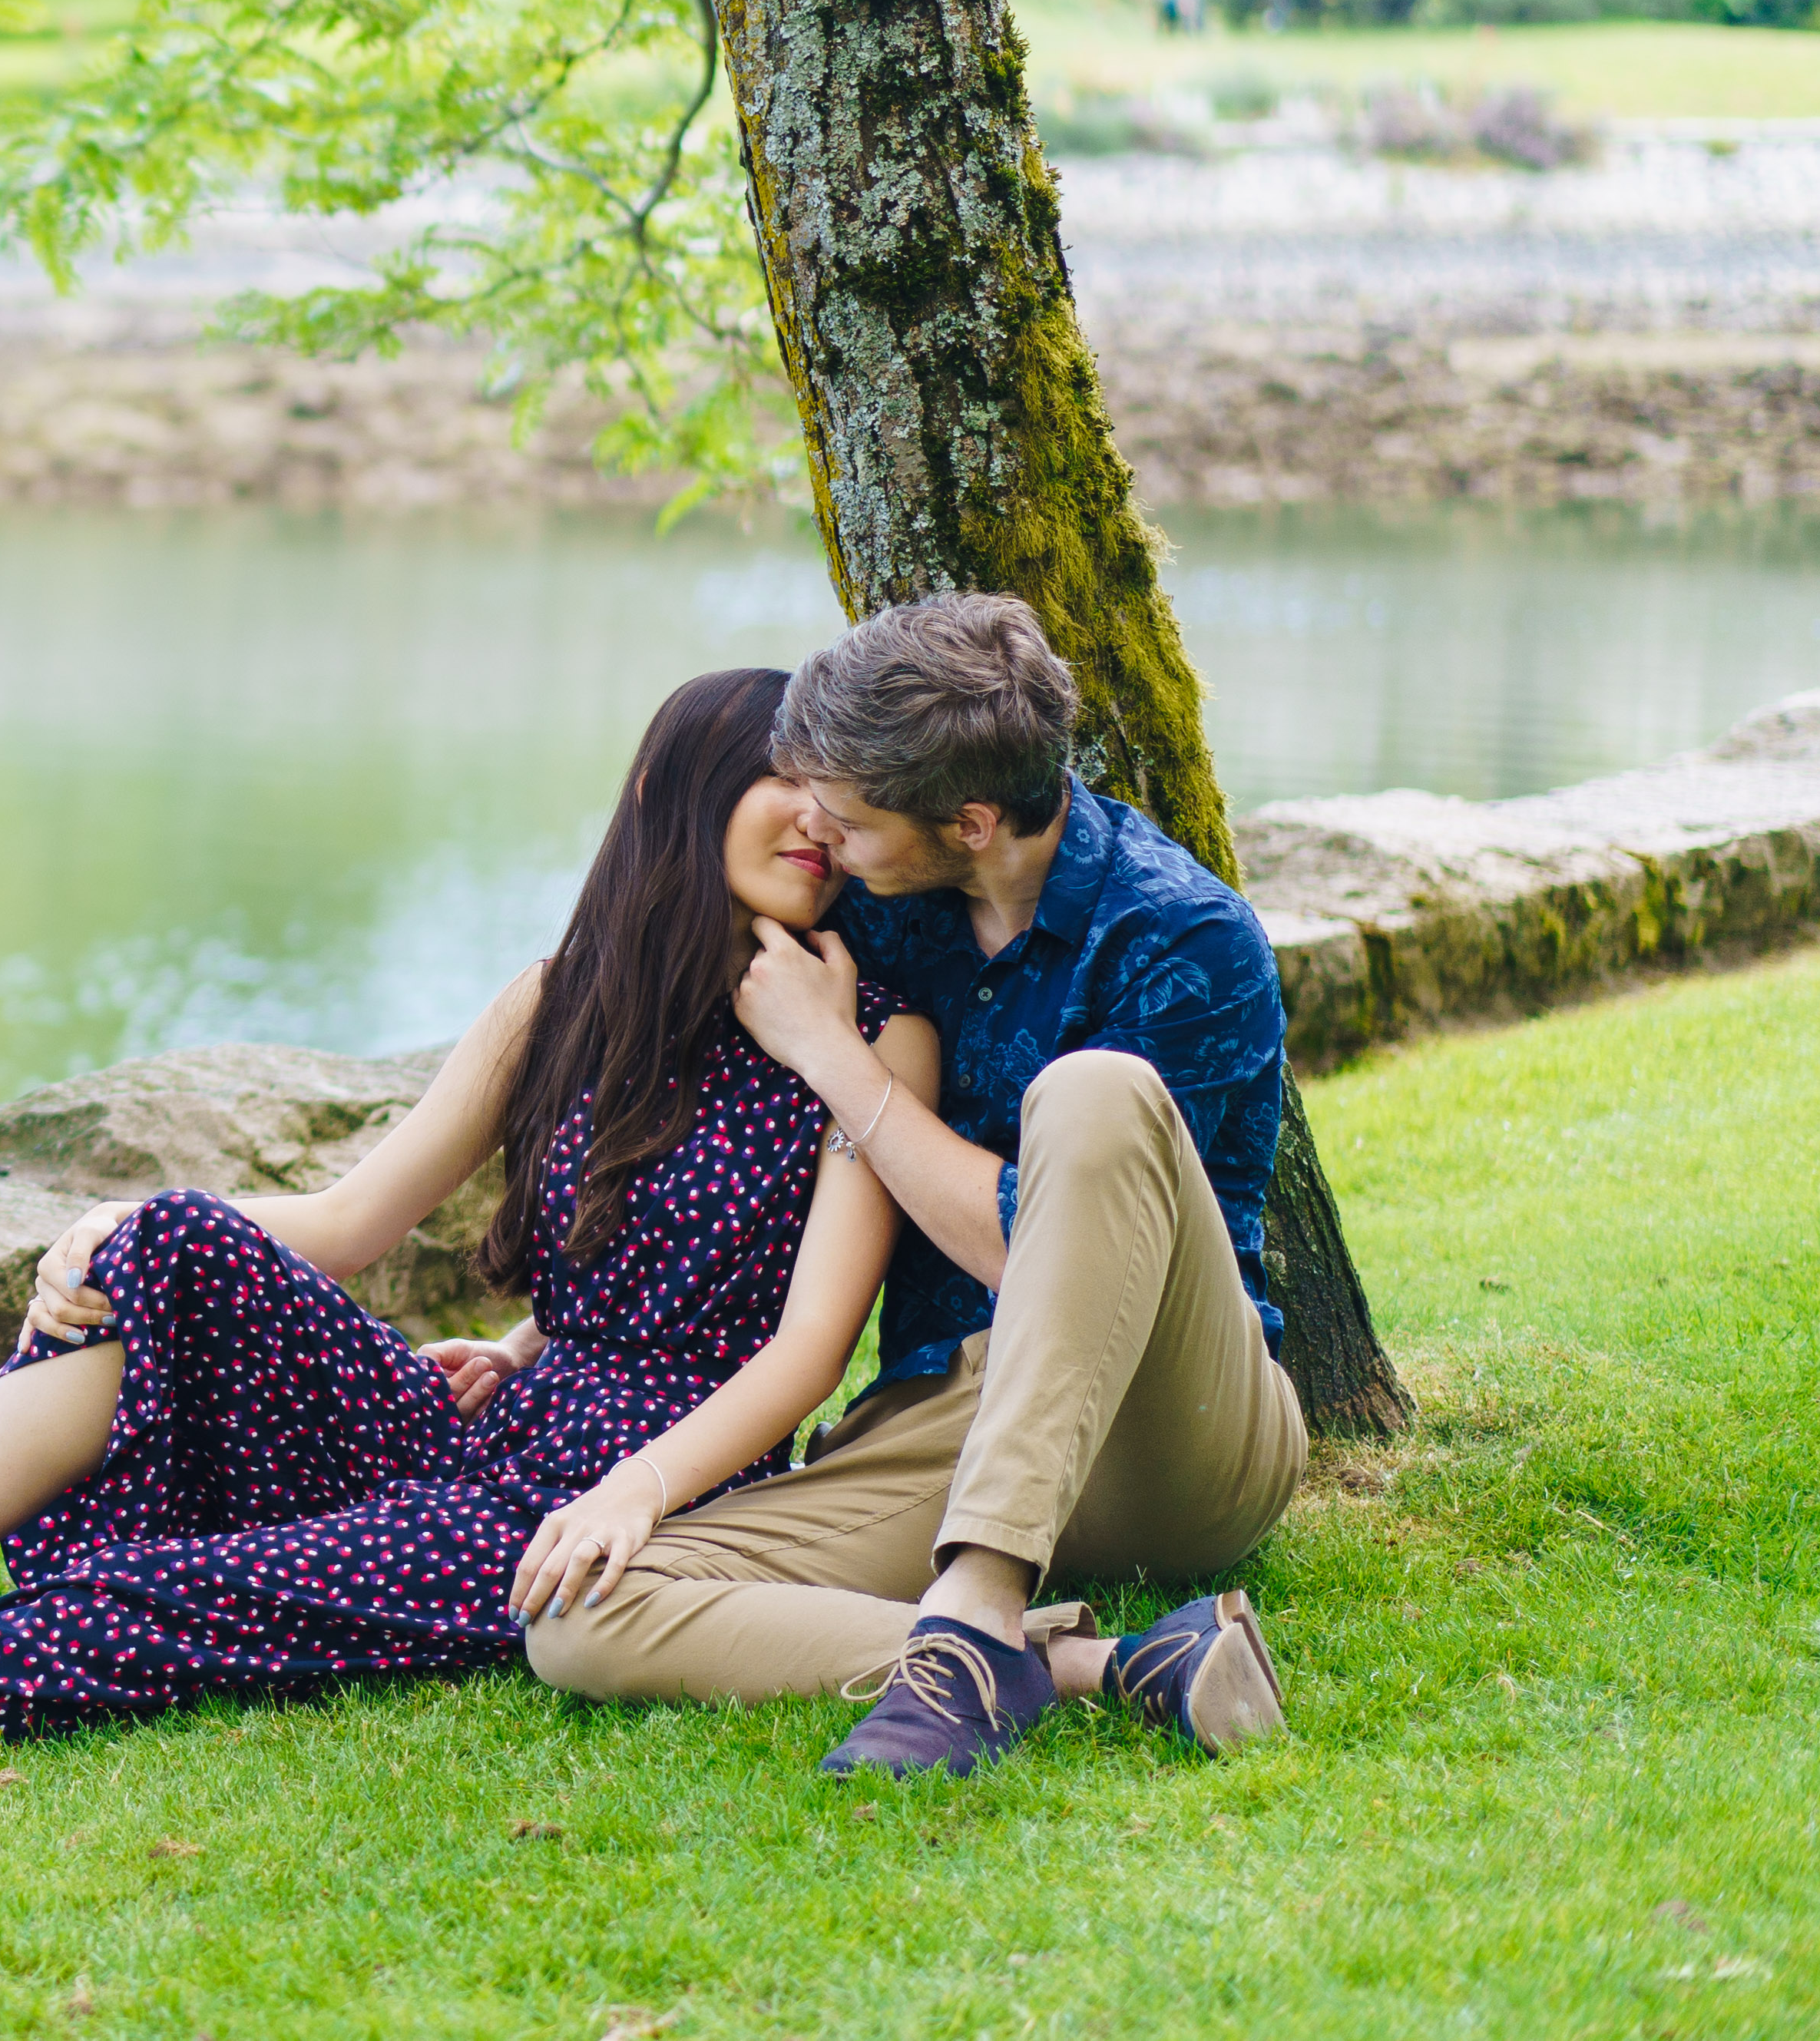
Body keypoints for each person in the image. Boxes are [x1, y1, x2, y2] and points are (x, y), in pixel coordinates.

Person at [0, 667, 931, 1778]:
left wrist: (630, 1494)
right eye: (778, 775)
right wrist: (125, 1218)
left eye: (834, 793)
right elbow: (348, 1218)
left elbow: (804, 1353)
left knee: (183, 1601)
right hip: (484, 1426)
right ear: (676, 791)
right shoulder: (560, 1001)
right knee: (172, 1242)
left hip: (620, 1497)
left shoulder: (872, 1036)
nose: (816, 815)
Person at [524, 591, 1309, 1778]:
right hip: (946, 1421)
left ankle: (978, 1608)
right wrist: (543, 1331)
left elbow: (1046, 1263)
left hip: (1166, 1426)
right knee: (583, 1609)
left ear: (969, 823)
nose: (818, 835)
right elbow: (711, 1129)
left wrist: (834, 1060)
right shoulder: (883, 911)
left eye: (844, 819)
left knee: (1091, 1095)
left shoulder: (1182, 939)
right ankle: (1098, 1665)